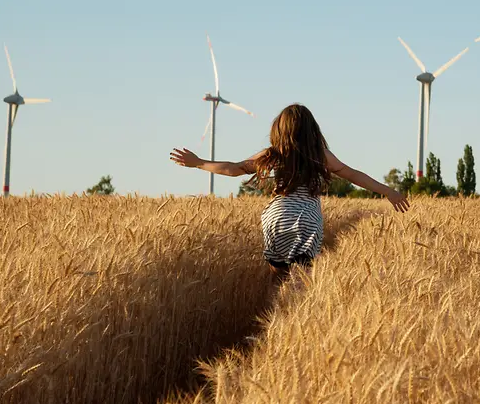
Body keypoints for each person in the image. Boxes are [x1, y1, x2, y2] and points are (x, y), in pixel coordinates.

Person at [170, 103, 410, 277]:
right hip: (306, 219)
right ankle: (293, 316)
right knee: (301, 279)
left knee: (279, 275)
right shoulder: (321, 155)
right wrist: (388, 191)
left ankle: (276, 314)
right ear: (312, 131)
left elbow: (234, 169)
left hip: (275, 218)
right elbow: (353, 174)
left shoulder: (272, 154)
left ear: (278, 130)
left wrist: (199, 162)